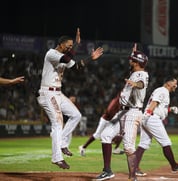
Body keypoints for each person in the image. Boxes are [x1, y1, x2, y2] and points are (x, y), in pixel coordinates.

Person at [36, 28, 103, 169]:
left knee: (76, 115)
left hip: (57, 93)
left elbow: (77, 66)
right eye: (68, 46)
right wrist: (77, 44)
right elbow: (67, 59)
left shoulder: (63, 55)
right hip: (48, 93)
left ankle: (62, 143)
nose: (70, 48)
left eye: (71, 46)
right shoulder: (52, 53)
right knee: (57, 123)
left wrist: (91, 58)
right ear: (60, 44)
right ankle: (57, 158)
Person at [94, 46, 149, 181]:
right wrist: (133, 52)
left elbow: (141, 83)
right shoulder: (134, 71)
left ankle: (133, 177)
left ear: (136, 62)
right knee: (106, 135)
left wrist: (136, 85)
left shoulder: (142, 74)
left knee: (129, 147)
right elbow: (133, 68)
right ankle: (107, 171)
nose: (129, 61)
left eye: (131, 59)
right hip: (123, 112)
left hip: (132, 112)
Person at [134, 77, 178, 177]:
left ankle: (134, 167)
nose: (176, 86)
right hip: (152, 118)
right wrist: (148, 114)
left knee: (144, 143)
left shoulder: (162, 91)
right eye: (174, 83)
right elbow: (154, 103)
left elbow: (159, 107)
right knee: (165, 142)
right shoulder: (163, 90)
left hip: (149, 117)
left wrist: (170, 109)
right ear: (168, 83)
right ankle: (174, 166)